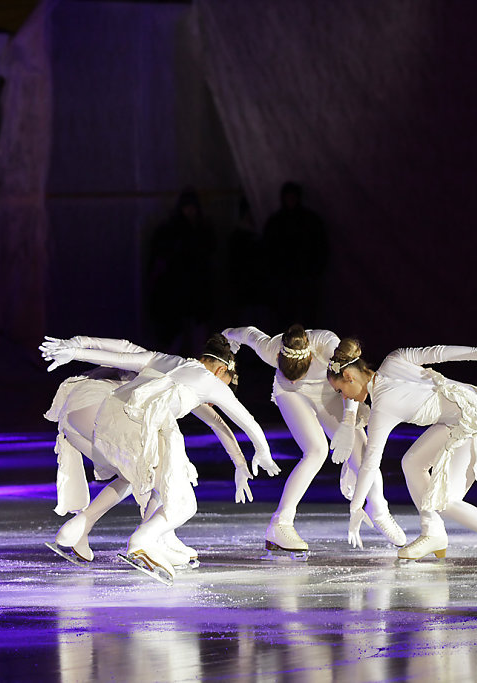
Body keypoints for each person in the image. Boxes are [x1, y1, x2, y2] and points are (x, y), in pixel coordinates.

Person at [40, 333, 280, 584]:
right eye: (227, 384)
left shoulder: (167, 361)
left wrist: (75, 351)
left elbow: (121, 354)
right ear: (221, 371)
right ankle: (145, 542)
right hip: (128, 422)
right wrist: (261, 452)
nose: (216, 400)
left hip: (95, 416)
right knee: (178, 498)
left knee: (139, 475)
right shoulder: (211, 383)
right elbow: (245, 421)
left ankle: (78, 529)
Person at [326, 339, 477, 571]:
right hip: (467, 407)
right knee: (413, 462)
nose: (344, 398)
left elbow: (370, 464)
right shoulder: (395, 358)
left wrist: (355, 507)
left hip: (474, 418)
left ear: (350, 376)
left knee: (446, 499)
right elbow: (439, 352)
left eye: (340, 391)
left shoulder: (382, 407)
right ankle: (432, 532)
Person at [222, 324, 406, 555]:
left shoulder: (328, 345)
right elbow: (247, 332)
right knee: (316, 451)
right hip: (291, 395)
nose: (295, 377)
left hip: (332, 390)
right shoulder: (270, 348)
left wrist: (349, 422)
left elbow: (351, 379)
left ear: (310, 359)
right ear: (278, 358)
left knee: (362, 452)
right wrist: (226, 337)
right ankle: (280, 524)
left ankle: (378, 509)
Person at [145, 189, 216, 354]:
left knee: (196, 340)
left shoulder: (201, 230)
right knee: (176, 340)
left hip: (195, 295)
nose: (190, 211)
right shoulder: (172, 232)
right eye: (187, 207)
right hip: (178, 297)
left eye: (192, 207)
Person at [262, 183, 329, 326]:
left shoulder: (310, 221)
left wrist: (314, 272)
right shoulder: (276, 223)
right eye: (288, 197)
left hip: (305, 280)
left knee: (308, 321)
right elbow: (268, 251)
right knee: (284, 322)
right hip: (284, 282)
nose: (290, 200)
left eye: (293, 197)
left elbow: (321, 248)